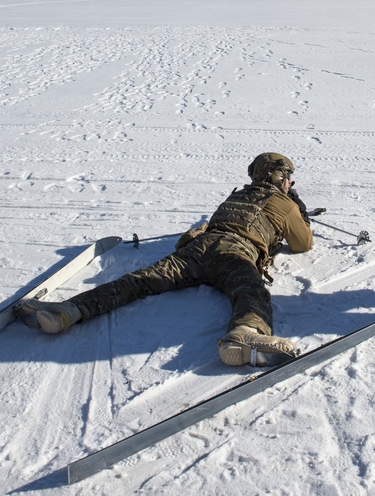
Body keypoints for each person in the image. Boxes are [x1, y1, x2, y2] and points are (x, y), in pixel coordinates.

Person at [16, 153, 314, 366]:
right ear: (280, 176)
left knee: (138, 281)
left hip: (196, 250)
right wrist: (296, 209)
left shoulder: (234, 197)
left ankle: (69, 310)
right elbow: (302, 244)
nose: (289, 182)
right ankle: (245, 334)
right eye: (288, 177)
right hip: (235, 253)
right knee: (249, 291)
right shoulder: (283, 203)